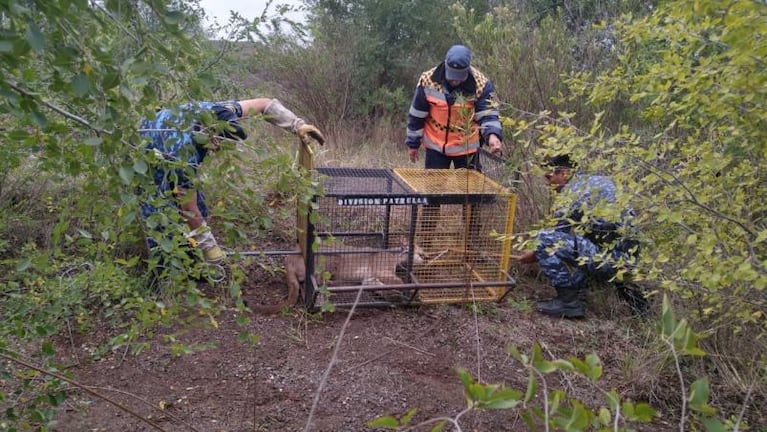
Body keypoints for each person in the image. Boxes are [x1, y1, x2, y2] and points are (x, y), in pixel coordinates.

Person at [139, 98, 325, 263]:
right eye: (216, 142)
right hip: (146, 156)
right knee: (160, 219)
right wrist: (212, 250)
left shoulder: (219, 112)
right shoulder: (182, 151)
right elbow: (188, 208)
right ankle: (166, 274)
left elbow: (264, 105)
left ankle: (192, 254)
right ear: (206, 131)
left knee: (200, 208)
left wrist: (297, 125)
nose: (218, 148)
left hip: (171, 138)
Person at [514, 154, 647, 318]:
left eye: (550, 176)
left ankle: (568, 302)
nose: (548, 183)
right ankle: (640, 308)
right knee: (586, 239)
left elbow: (554, 238)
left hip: (610, 259)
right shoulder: (600, 181)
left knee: (544, 238)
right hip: (628, 260)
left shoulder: (571, 193)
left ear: (564, 174)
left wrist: (531, 255)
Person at [406, 44, 503, 170]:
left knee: (469, 189)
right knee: (434, 189)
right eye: (452, 76)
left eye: (459, 77)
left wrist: (493, 135)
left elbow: (489, 114)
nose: (455, 81)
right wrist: (413, 144)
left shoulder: (482, 85)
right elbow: (416, 115)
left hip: (467, 148)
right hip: (435, 147)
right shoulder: (428, 80)